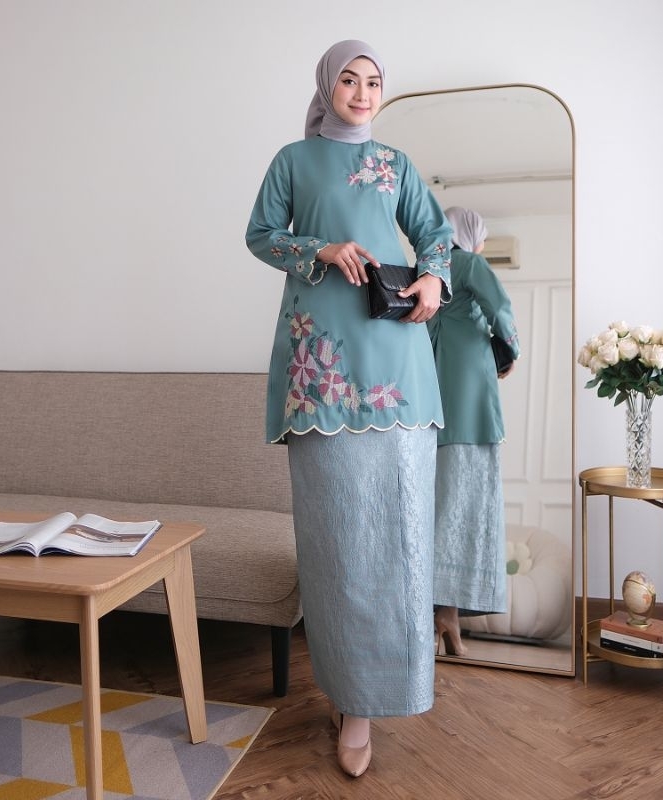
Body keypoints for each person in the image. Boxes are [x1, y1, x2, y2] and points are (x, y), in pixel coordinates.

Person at [246, 40, 452, 778]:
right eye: (348, 80)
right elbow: (260, 236)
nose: (362, 93)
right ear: (326, 87)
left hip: (399, 373)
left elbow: (436, 235)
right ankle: (350, 699)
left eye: (373, 82)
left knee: (399, 540)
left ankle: (387, 694)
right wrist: (323, 249)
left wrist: (433, 280)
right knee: (338, 546)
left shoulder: (395, 164)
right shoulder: (293, 162)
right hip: (322, 382)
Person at [427, 206, 520, 656]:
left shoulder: (426, 268)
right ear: (471, 235)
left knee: (437, 507)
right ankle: (443, 618)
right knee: (467, 503)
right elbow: (499, 307)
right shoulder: (468, 263)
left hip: (428, 395)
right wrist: (510, 351)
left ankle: (442, 618)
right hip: (468, 398)